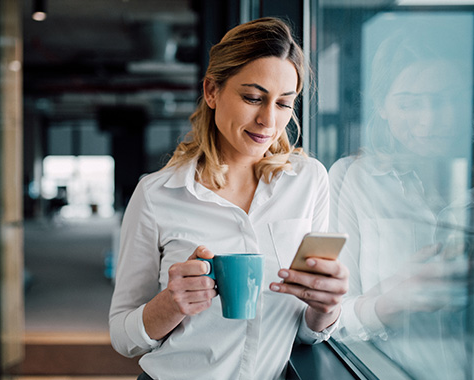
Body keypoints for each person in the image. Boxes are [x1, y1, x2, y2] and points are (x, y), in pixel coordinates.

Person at [109, 17, 349, 380]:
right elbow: (123, 337)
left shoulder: (309, 181)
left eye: (284, 103)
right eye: (253, 98)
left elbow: (304, 329)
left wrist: (326, 307)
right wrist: (170, 305)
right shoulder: (157, 194)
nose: (268, 120)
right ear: (211, 92)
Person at [329, 17, 472, 379]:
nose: (430, 121)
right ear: (381, 106)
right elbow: (328, 320)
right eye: (409, 104)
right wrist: (395, 301)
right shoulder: (352, 180)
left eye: (447, 100)